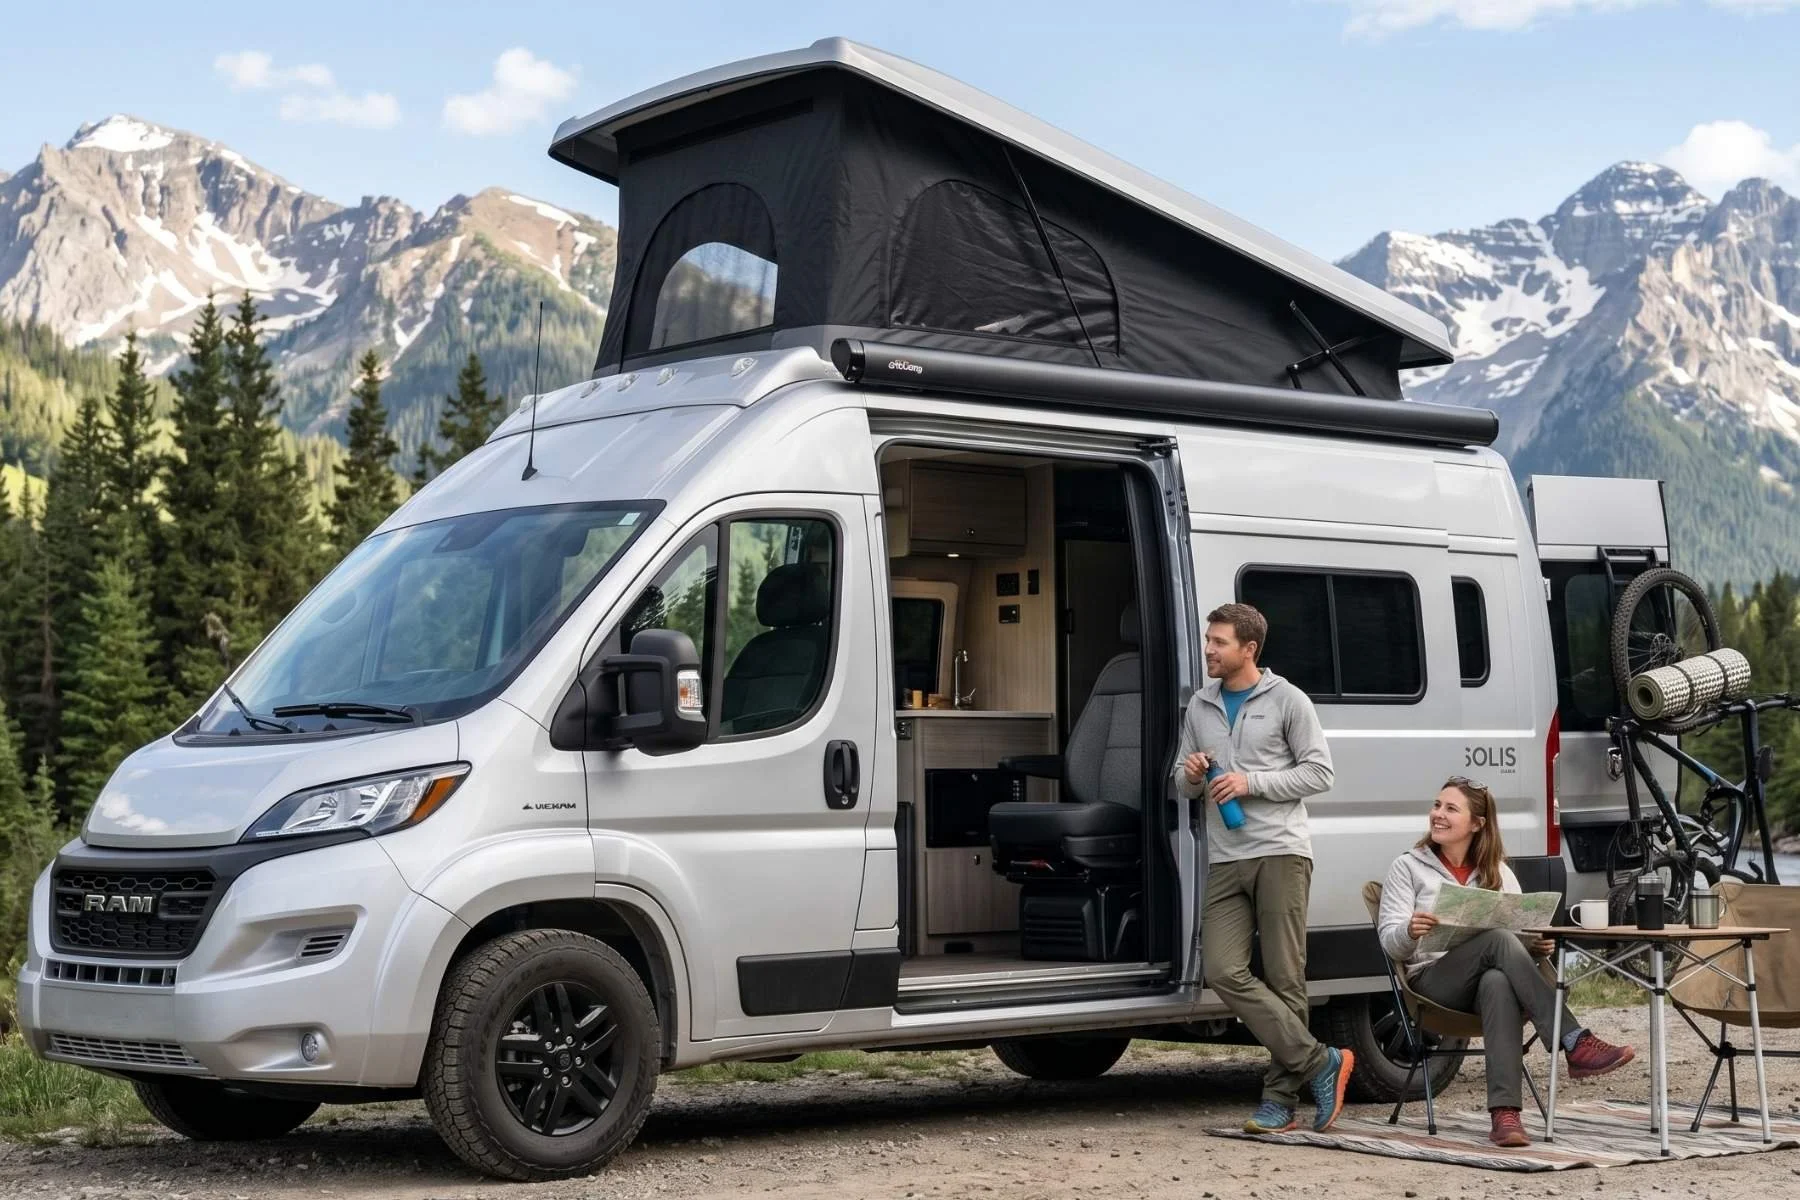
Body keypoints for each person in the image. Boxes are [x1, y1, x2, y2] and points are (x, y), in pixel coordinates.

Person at [1377, 777, 1635, 1148]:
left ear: (1477, 824)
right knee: (1496, 939)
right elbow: (1391, 944)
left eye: (1450, 808)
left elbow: (1521, 934)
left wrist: (1537, 944)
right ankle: (1574, 1039)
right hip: (1432, 984)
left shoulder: (1496, 871)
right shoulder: (1408, 867)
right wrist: (1411, 930)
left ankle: (1505, 1116)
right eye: (1437, 806)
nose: (1438, 815)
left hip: (1483, 986)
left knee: (1497, 981)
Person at [1176, 602, 1352, 1134]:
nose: (1209, 649)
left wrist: (1252, 783)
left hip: (1280, 851)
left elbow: (1320, 773)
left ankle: (1279, 1100)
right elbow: (1181, 785)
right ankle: (1320, 1061)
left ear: (1249, 650)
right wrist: (1188, 773)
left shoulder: (1287, 700)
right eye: (1209, 639)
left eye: (1219, 642)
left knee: (1283, 976)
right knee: (1223, 971)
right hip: (1225, 857)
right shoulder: (1199, 706)